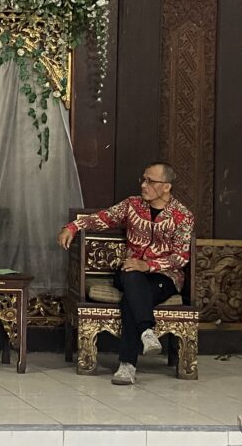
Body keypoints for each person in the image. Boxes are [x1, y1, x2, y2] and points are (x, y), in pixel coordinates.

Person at [57, 161, 194, 385]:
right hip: (129, 273)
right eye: (143, 179)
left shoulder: (182, 216)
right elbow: (101, 218)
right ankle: (146, 332)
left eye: (150, 181)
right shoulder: (132, 205)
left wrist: (148, 266)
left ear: (166, 187)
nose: (143, 185)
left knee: (132, 298)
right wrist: (71, 227)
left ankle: (127, 365)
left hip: (164, 278)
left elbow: (181, 257)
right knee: (131, 275)